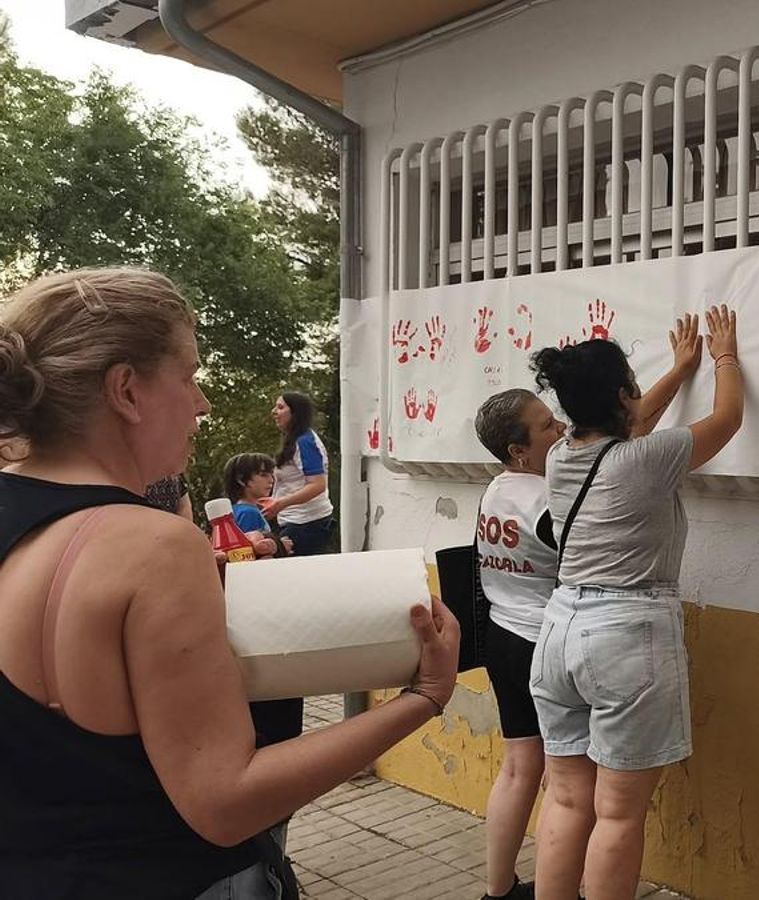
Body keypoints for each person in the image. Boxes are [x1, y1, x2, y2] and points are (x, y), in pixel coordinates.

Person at [0, 268, 460, 897]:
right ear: (126, 391)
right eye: (188, 376)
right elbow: (225, 803)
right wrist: (424, 696)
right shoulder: (152, 545)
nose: (201, 404)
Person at [529, 308, 742, 900]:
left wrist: (677, 370)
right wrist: (723, 356)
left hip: (560, 629)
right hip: (625, 636)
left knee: (568, 797)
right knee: (618, 814)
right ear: (624, 392)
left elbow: (631, 422)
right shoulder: (647, 460)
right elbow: (726, 418)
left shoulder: (562, 456)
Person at [471, 387, 569, 900]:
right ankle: (560, 888)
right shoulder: (545, 500)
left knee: (517, 767)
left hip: (503, 639)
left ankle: (498, 889)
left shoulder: (496, 490)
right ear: (518, 450)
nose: (563, 431)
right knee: (565, 780)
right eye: (549, 426)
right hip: (541, 644)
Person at [260, 391, 336, 556]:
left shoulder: (304, 441)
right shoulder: (295, 440)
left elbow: (317, 485)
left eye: (280, 407)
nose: (274, 411)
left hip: (306, 523)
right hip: (296, 520)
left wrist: (280, 504)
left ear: (295, 413)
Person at [222, 452, 291, 558]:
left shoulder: (234, 511)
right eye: (263, 475)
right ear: (241, 479)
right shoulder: (249, 513)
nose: (271, 480)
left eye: (271, 475)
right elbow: (253, 552)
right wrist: (280, 547)